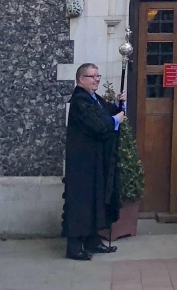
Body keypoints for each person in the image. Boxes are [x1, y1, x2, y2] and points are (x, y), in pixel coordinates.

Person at [63, 63, 124, 261]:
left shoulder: (94, 98)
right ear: (82, 79)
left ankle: (92, 240)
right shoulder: (80, 101)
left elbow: (108, 113)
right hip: (82, 163)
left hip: (94, 161)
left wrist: (119, 104)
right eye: (93, 76)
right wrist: (116, 119)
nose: (97, 79)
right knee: (81, 203)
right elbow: (99, 124)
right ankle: (74, 247)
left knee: (94, 200)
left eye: (98, 76)